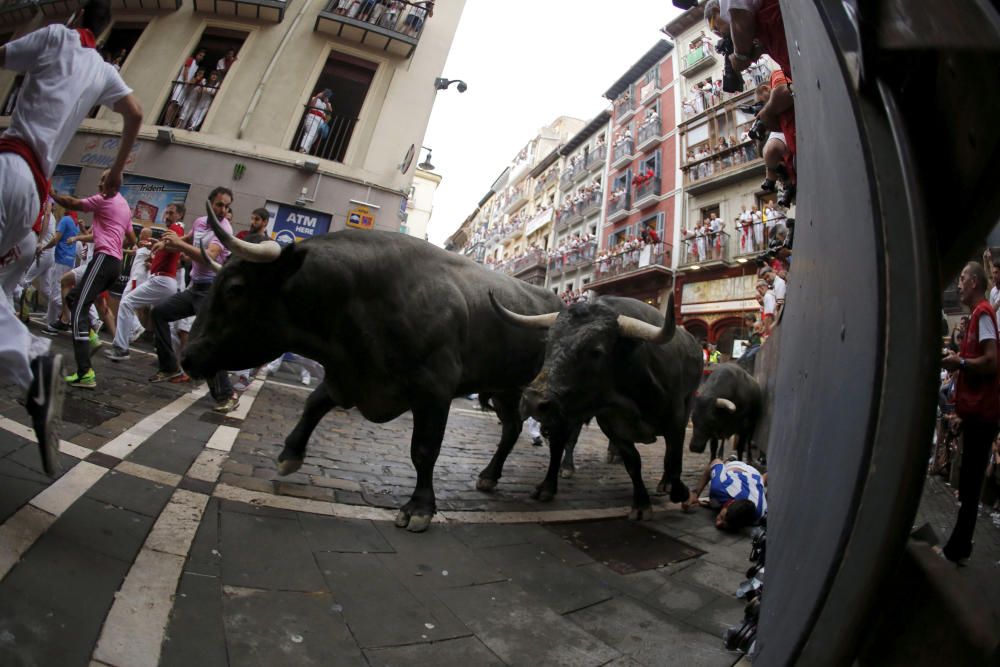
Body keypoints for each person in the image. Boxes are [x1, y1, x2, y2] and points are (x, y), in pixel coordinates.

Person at [0, 0, 142, 474]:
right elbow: (136, 113)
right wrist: (117, 169)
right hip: (34, 200)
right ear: (104, 29)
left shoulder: (56, 37)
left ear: (78, 12)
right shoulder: (103, 69)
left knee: (54, 300)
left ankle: (42, 361)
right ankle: (36, 365)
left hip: (11, 167)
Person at [150, 187, 239, 413]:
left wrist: (179, 246)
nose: (223, 210)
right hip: (194, 289)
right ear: (209, 203)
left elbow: (209, 256)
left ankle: (227, 395)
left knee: (205, 341)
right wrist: (168, 243)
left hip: (211, 292)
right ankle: (170, 367)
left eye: (227, 206)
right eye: (219, 204)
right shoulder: (200, 222)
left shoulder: (224, 229)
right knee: (159, 313)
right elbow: (189, 238)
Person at [50, 168, 136, 389]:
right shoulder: (124, 206)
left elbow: (72, 203)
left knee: (78, 306)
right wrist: (115, 244)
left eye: (103, 180)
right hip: (113, 264)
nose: (99, 183)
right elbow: (131, 238)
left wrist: (52, 193)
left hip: (103, 259)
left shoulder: (105, 199)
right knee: (74, 298)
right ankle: (91, 337)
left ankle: (85, 372)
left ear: (112, 184)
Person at [939, 262, 999, 564]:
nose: (958, 284)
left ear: (975, 282)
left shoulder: (984, 314)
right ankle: (959, 545)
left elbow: (991, 361)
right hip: (976, 413)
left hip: (984, 415)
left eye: (962, 279)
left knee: (972, 483)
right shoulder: (977, 316)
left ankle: (958, 547)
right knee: (968, 481)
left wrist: (960, 363)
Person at [107, 203, 187, 361]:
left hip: (162, 280)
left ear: (180, 215)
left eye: (171, 213)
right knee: (164, 319)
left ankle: (121, 348)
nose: (167, 216)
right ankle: (173, 360)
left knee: (126, 303)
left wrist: (161, 244)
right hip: (165, 281)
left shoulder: (176, 228)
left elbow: (173, 244)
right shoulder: (173, 231)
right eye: (167, 213)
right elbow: (171, 250)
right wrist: (156, 246)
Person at [682, 458, 767, 531]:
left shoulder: (758, 513)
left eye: (725, 524)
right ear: (728, 504)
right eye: (721, 518)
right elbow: (716, 461)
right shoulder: (719, 488)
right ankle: (730, 460)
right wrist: (695, 493)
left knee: (761, 480)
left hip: (755, 477)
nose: (718, 524)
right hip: (736, 468)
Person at [299, 89, 332, 154]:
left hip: (321, 121)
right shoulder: (315, 98)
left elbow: (330, 112)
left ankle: (305, 151)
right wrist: (317, 97)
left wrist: (326, 103)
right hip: (312, 117)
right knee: (310, 133)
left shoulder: (328, 104)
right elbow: (311, 105)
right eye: (325, 95)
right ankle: (303, 148)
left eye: (327, 96)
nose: (325, 96)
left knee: (314, 137)